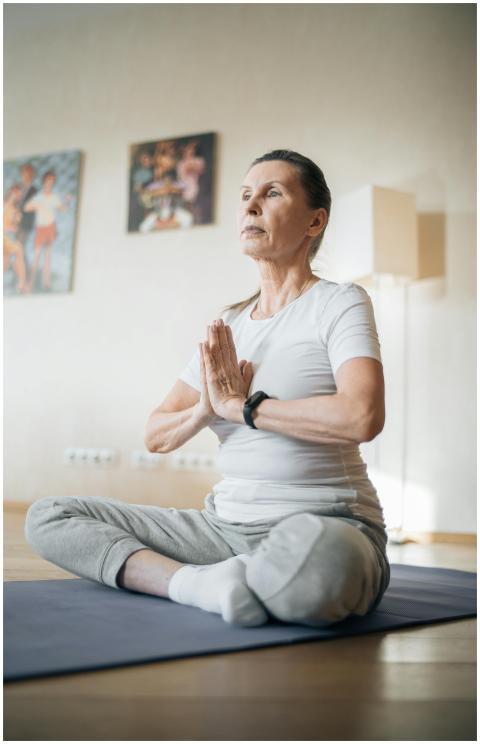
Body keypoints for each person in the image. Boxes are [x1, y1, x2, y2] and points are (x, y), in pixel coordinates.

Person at [24, 150, 390, 629]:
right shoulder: (230, 325)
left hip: (325, 523)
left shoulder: (339, 302)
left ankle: (245, 579)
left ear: (314, 221)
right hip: (222, 530)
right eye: (245, 195)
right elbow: (155, 434)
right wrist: (205, 409)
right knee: (50, 516)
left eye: (272, 193)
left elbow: (362, 416)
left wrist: (245, 408)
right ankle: (196, 584)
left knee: (322, 566)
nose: (250, 206)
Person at [23, 169, 71, 292]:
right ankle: (30, 283)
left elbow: (63, 209)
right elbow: (26, 207)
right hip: (41, 228)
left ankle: (46, 283)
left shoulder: (54, 197)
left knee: (48, 256)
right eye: (48, 181)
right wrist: (37, 206)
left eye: (52, 181)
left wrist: (67, 201)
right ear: (44, 182)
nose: (49, 183)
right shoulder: (39, 197)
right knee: (37, 256)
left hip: (50, 227)